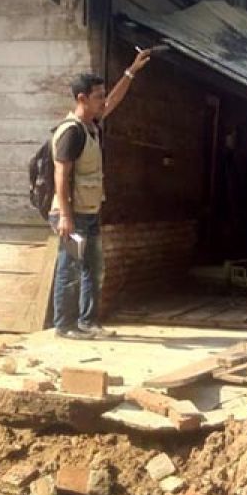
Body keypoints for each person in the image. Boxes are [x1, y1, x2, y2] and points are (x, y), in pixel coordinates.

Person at [49, 47, 154, 338]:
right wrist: (66, 217)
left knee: (93, 269)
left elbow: (114, 100)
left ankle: (88, 322)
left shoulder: (91, 124)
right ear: (82, 99)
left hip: (89, 212)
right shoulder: (71, 132)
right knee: (69, 269)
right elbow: (61, 175)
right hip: (71, 214)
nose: (102, 101)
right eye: (97, 97)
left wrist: (131, 71)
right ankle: (64, 326)